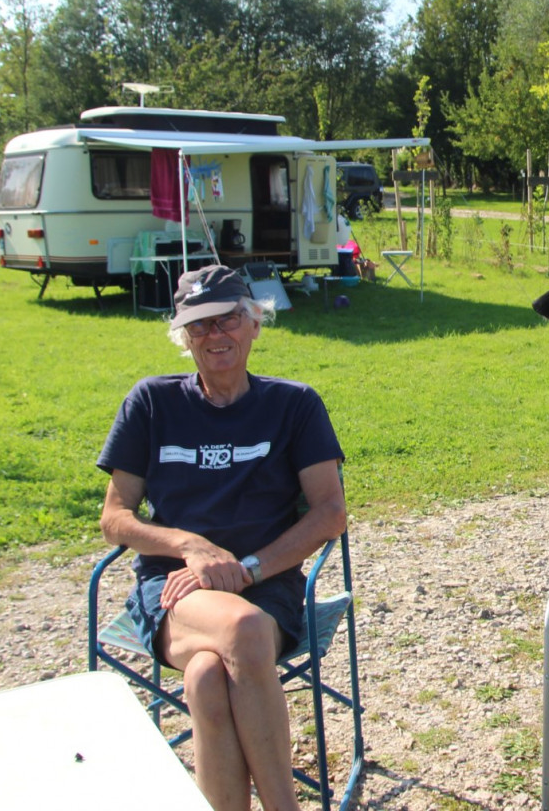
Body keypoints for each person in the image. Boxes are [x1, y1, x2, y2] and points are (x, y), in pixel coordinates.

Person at [97, 264, 346, 811]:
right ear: (183, 338)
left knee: (209, 677)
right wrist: (189, 545)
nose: (216, 335)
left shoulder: (293, 404)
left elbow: (330, 513)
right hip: (173, 591)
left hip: (268, 582)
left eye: (228, 318)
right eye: (199, 325)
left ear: (255, 322)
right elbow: (115, 517)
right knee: (243, 629)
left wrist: (249, 567)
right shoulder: (152, 403)